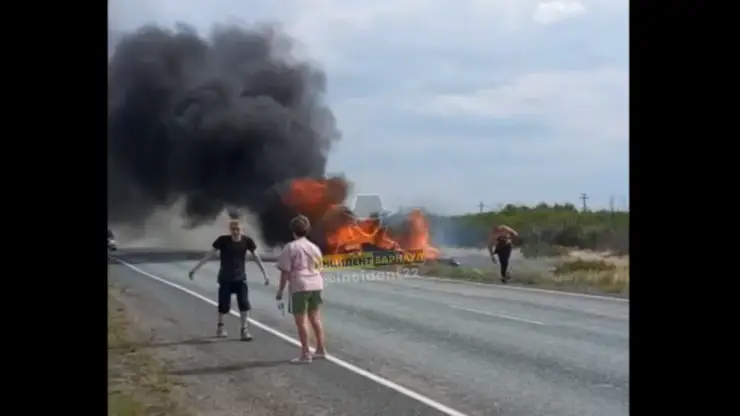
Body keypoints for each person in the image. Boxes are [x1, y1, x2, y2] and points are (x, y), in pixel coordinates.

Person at [188, 219, 270, 341]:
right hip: (225, 278)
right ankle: (220, 327)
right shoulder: (223, 241)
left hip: (240, 278)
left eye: (238, 229)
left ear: (242, 230)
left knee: (244, 304)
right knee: (223, 305)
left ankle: (244, 330)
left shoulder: (247, 241)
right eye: (233, 229)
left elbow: (256, 257)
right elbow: (209, 255)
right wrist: (195, 269)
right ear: (230, 230)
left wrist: (265, 274)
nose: (235, 232)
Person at [276, 215, 327, 364]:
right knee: (315, 318)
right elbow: (321, 268)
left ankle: (305, 353)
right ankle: (321, 349)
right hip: (316, 283)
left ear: (293, 231)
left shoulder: (291, 247)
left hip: (300, 285)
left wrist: (280, 290)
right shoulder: (314, 247)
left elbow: (285, 271)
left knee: (301, 321)